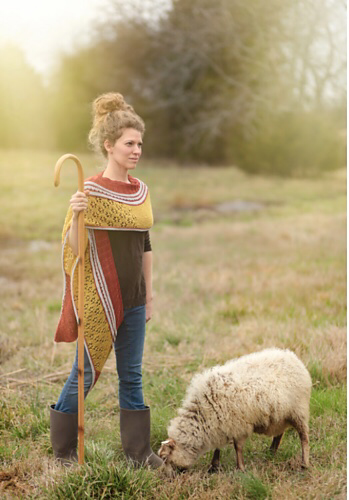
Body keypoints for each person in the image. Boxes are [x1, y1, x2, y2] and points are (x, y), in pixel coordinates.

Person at [50, 92, 163, 468]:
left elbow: (145, 244)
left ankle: (138, 451)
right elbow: (74, 249)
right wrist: (77, 214)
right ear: (109, 145)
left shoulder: (141, 192)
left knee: (132, 375)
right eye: (129, 144)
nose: (136, 150)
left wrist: (148, 297)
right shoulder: (91, 192)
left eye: (140, 144)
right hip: (100, 298)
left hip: (133, 300)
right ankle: (64, 451)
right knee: (84, 372)